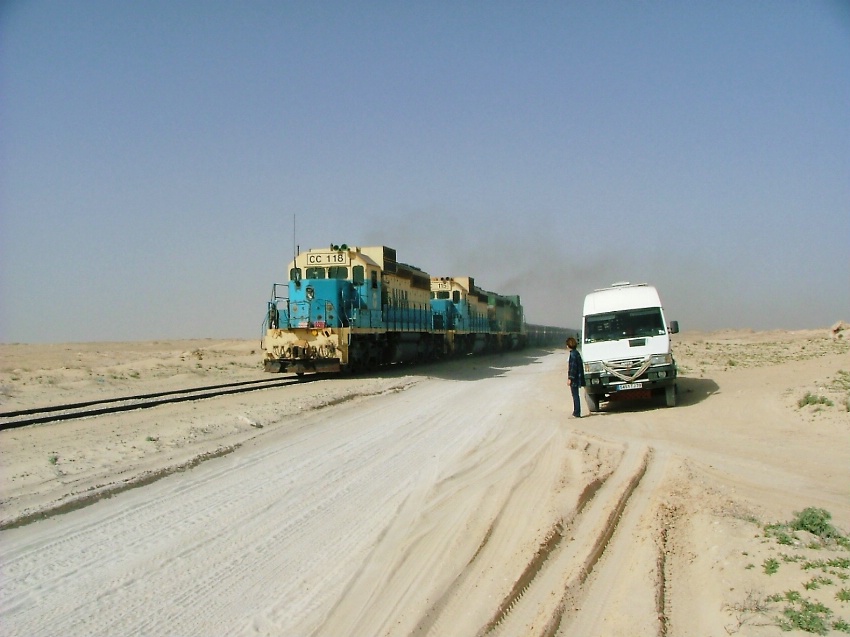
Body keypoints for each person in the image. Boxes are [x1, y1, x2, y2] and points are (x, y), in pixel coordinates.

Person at [566, 336, 585, 418]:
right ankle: (577, 412)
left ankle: (576, 412)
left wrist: (570, 378)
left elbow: (573, 368)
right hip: (578, 377)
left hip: (575, 378)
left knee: (575, 395)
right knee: (576, 395)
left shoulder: (572, 355)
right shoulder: (576, 353)